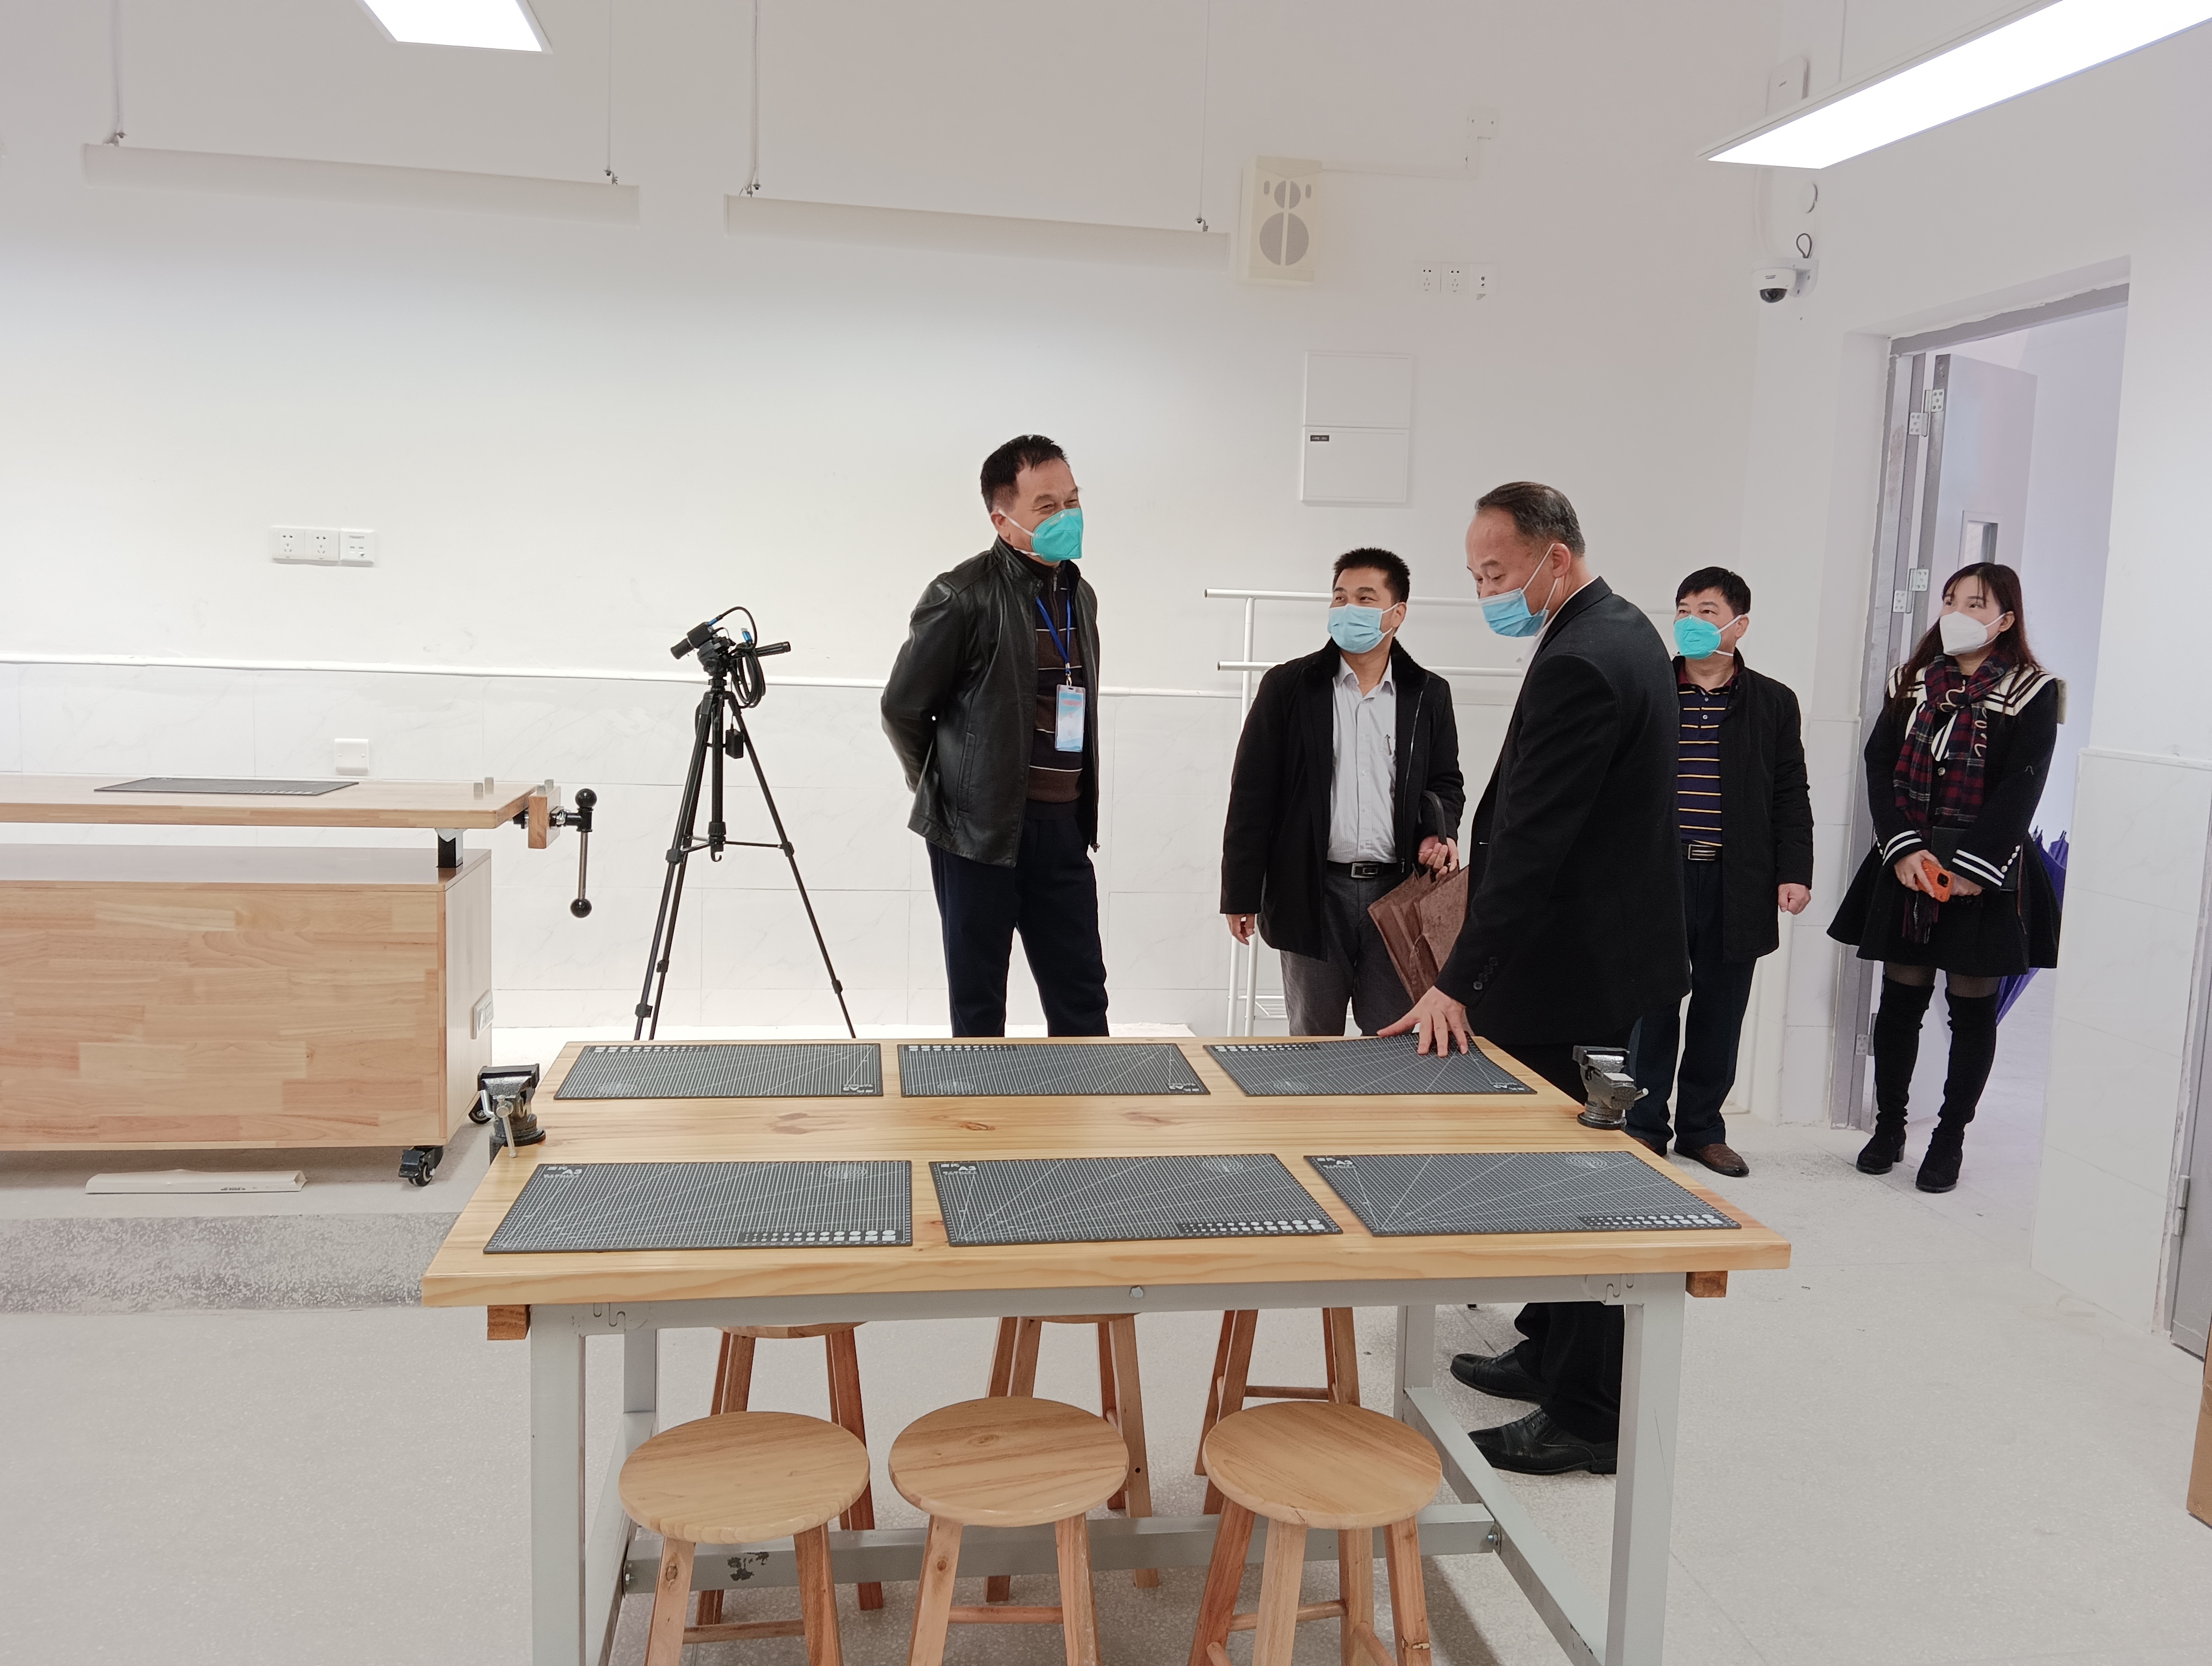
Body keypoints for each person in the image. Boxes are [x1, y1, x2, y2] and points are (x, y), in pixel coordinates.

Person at [1381, 482, 1686, 1477]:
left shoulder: (1585, 660)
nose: (1487, 592)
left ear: (1555, 558)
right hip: (1601, 955)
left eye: (1497, 573)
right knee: (1555, 1169)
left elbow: (1532, 847)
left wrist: (1458, 979)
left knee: (1573, 1183)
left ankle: (1588, 1411)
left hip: (1573, 970)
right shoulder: (1620, 629)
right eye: (1475, 575)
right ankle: (1550, 1345)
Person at [1828, 562, 2059, 1193]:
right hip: (1909, 858)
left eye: (1975, 603)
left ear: (2005, 619)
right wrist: (1903, 850)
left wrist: (1972, 868)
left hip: (1984, 869)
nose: (1957, 613)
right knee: (1899, 1001)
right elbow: (1879, 765)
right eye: (1951, 599)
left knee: (1971, 1007)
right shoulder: (1910, 682)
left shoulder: (2031, 691)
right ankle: (1889, 1128)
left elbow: (2023, 784)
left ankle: (1950, 1137)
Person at [881, 434, 1109, 1036]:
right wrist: (954, 794)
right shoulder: (961, 595)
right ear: (1003, 521)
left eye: (1072, 501)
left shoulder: (1080, 597)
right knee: (980, 1010)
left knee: (1083, 1002)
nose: (1067, 517)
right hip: (978, 837)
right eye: (1047, 506)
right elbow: (903, 709)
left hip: (1062, 831)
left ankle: (1089, 1102)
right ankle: (978, 1104)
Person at [1220, 549, 1465, 1036]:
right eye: (1340, 597)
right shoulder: (1288, 686)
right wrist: (1240, 892)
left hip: (1398, 893)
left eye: (1365, 598)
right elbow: (1251, 793)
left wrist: (1436, 833)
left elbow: (1445, 781)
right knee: (1313, 1038)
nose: (1347, 608)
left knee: (1392, 1036)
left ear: (1397, 613)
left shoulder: (1427, 693)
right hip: (1311, 889)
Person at [1624, 567, 1815, 1177]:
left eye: (1706, 611)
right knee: (1653, 1005)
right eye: (1683, 610)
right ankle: (1643, 1126)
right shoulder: (1650, 688)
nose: (1691, 622)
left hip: (1738, 879)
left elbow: (1790, 792)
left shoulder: (1773, 702)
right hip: (1659, 875)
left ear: (1739, 625)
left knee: (1721, 1010)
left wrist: (1795, 870)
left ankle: (1703, 1129)